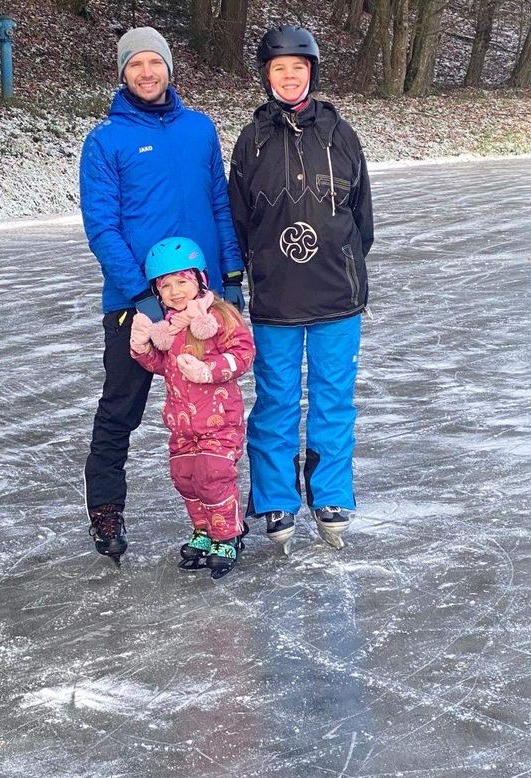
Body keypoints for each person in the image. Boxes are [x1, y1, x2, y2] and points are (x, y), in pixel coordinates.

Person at [80, 26, 244, 561]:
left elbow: (219, 205)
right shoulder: (105, 140)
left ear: (170, 68)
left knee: (217, 414)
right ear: (122, 73)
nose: (146, 73)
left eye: (155, 62)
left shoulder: (200, 130)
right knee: (120, 411)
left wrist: (231, 280)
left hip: (204, 303)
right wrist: (143, 299)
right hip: (138, 308)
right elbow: (102, 227)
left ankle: (228, 518)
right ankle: (106, 514)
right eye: (135, 65)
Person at [228, 25, 374, 552]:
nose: (289, 77)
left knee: (334, 399)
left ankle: (332, 494)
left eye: (298, 68)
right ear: (266, 78)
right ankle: (275, 499)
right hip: (276, 297)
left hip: (337, 294)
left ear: (312, 73)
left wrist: (345, 261)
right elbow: (238, 217)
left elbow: (364, 218)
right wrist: (248, 272)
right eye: (278, 69)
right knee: (276, 401)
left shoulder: (339, 133)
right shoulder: (252, 139)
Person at [129, 237, 255, 579]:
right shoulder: (169, 326)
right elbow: (161, 365)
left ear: (199, 280)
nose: (174, 291)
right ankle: (204, 531)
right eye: (165, 285)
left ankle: (227, 534)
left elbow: (242, 354)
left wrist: (208, 370)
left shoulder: (218, 316)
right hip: (182, 423)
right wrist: (142, 346)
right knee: (186, 478)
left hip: (219, 420)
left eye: (181, 281)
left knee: (213, 476)